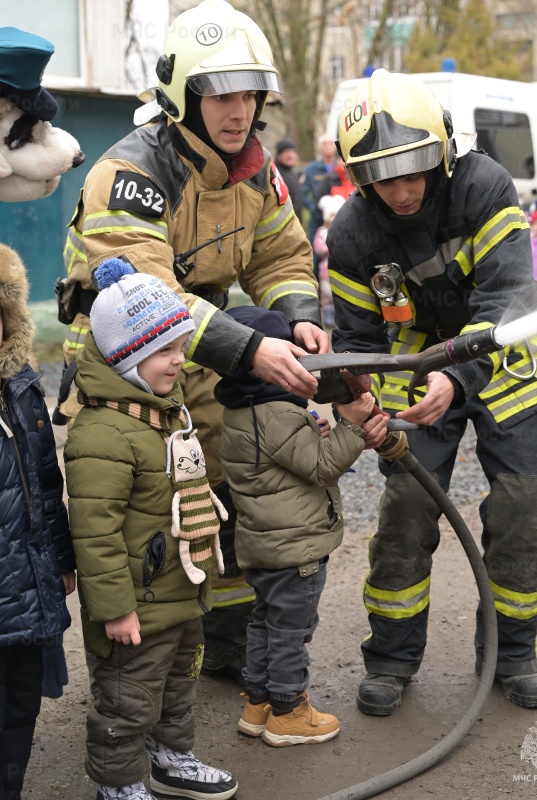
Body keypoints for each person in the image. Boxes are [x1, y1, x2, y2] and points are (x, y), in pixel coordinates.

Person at [59, 0, 329, 686]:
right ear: (183, 94)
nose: (237, 111)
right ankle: (131, 682)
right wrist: (253, 351)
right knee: (144, 513)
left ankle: (222, 649)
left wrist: (297, 314)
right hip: (126, 362)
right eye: (218, 94)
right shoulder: (132, 174)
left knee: (218, 494)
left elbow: (281, 258)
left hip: (198, 347)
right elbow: (147, 304)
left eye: (247, 93)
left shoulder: (256, 173)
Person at [327, 69, 537, 716]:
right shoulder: (352, 236)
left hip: (501, 366)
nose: (399, 191)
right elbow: (360, 339)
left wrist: (455, 380)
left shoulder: (485, 186)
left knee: (519, 508)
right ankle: (393, 658)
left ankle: (512, 653)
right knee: (404, 510)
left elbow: (508, 299)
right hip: (416, 373)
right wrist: (360, 403)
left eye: (413, 172)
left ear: (443, 154)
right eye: (381, 176)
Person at [64, 258, 238, 800]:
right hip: (135, 603)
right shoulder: (103, 433)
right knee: (126, 697)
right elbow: (94, 536)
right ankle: (116, 785)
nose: (179, 363)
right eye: (165, 351)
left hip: (179, 590)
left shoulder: (164, 412)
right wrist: (114, 607)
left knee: (180, 682)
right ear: (127, 357)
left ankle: (172, 759)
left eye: (182, 348)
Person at [214, 305, 381, 746]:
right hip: (296, 552)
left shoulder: (240, 411)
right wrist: (353, 425)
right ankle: (289, 712)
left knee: (263, 624)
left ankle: (259, 704)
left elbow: (283, 460)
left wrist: (317, 431)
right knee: (291, 632)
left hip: (264, 548)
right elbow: (323, 467)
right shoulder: (279, 414)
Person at [0, 242, 76, 799]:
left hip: (25, 589)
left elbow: (47, 485)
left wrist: (62, 558)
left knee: (19, 706)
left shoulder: (22, 389)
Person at [313, 193, 346, 327]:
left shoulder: (344, 231)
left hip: (341, 270)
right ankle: (327, 314)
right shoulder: (322, 232)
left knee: (339, 294)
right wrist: (330, 246)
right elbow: (318, 248)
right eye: (331, 215)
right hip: (325, 271)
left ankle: (339, 315)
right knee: (327, 294)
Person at [303, 133, 339, 250]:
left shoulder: (342, 167)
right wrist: (314, 208)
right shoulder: (311, 169)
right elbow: (303, 193)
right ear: (319, 148)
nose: (328, 146)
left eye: (331, 143)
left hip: (339, 219)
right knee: (316, 254)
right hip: (317, 221)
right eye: (324, 144)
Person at [274, 136, 304, 220]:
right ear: (279, 154)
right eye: (287, 151)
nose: (290, 155)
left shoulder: (294, 173)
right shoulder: (274, 174)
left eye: (293, 152)